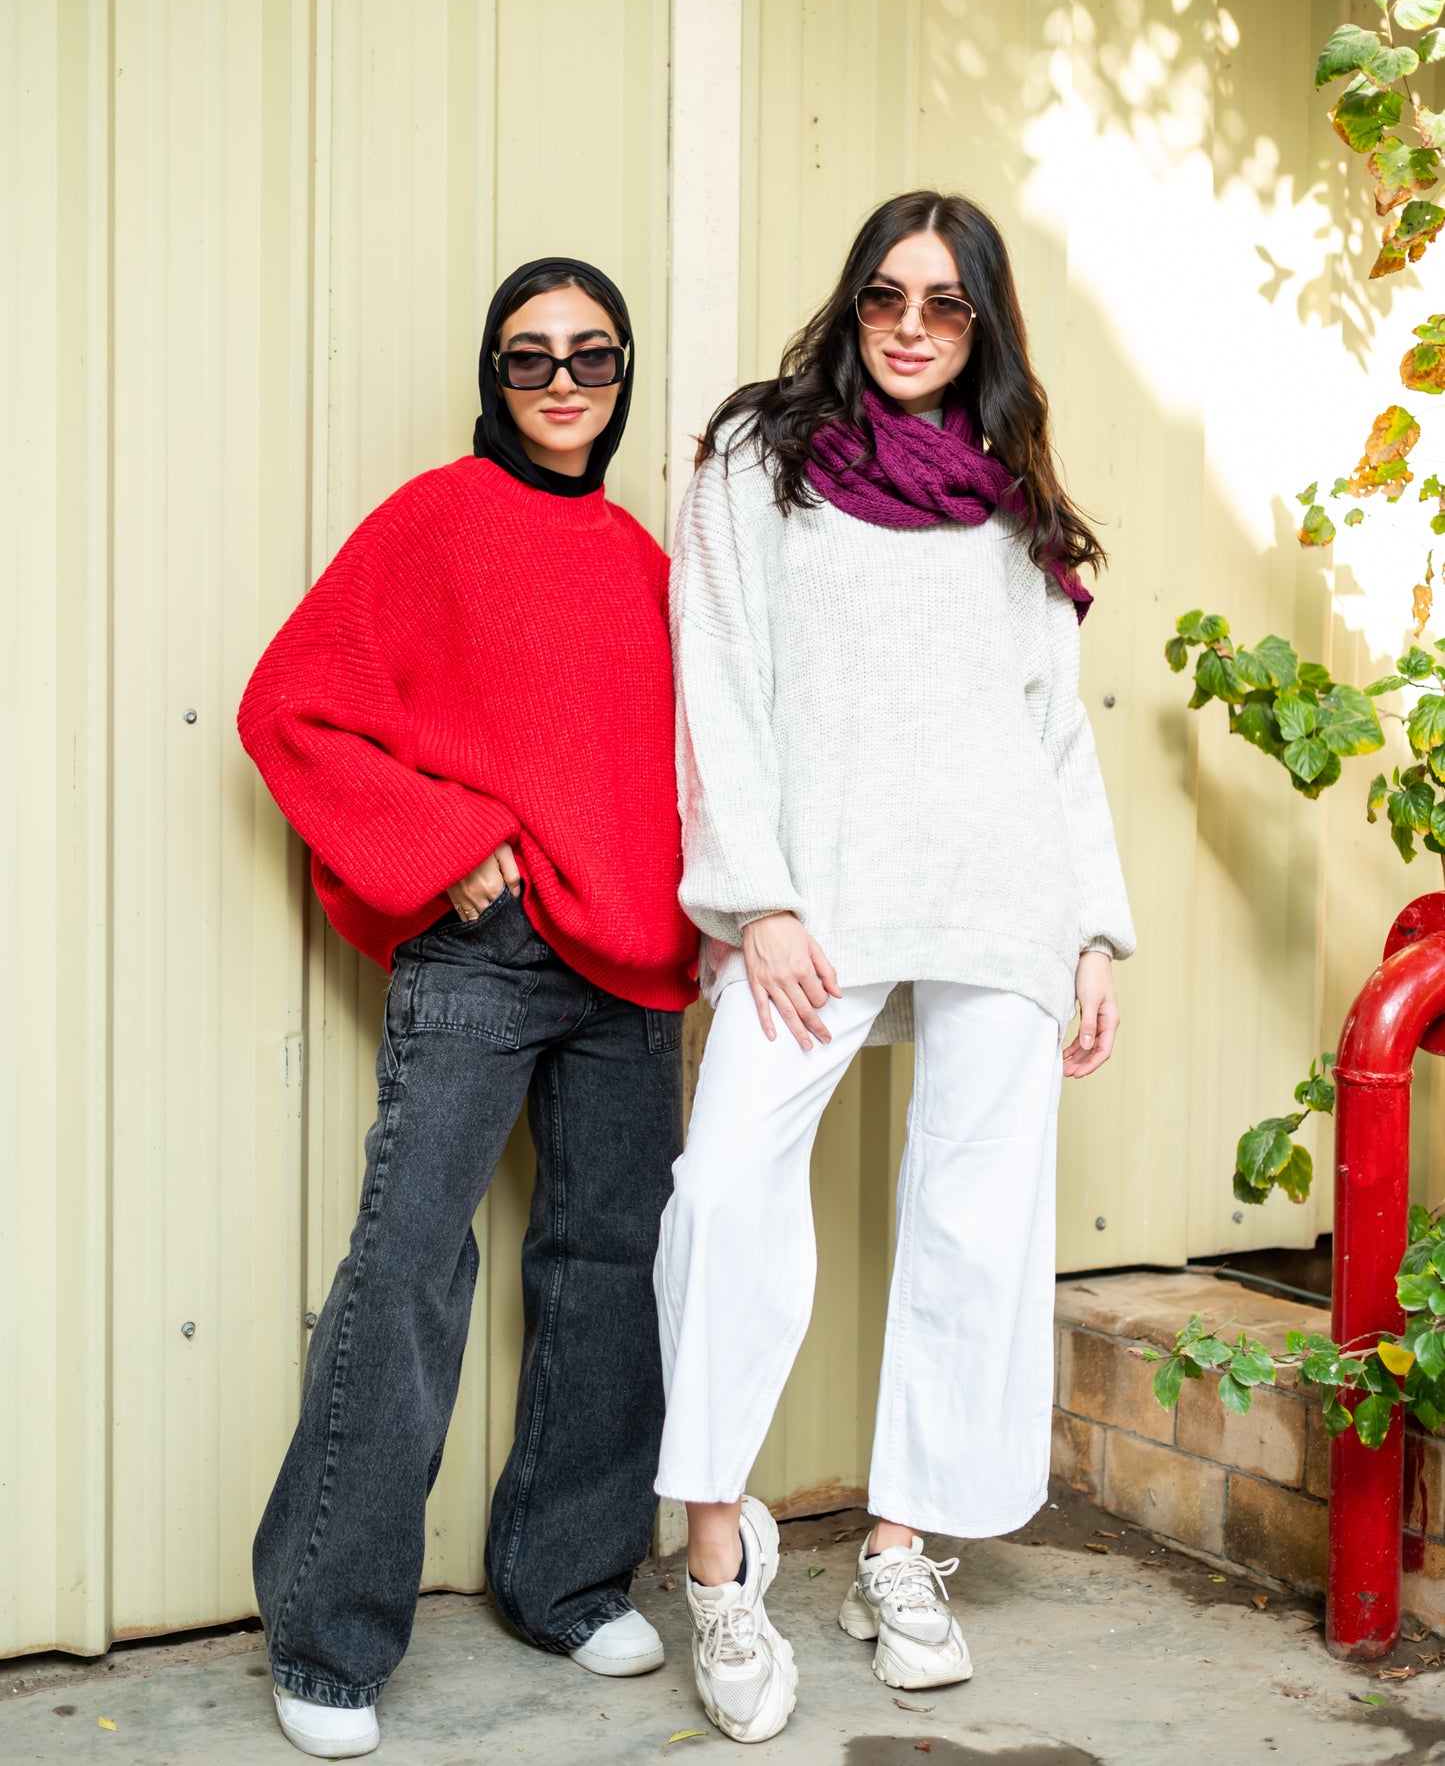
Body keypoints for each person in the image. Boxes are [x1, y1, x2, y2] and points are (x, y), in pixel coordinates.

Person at [655, 191, 1135, 1744]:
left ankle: (899, 1544)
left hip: (999, 890)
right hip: (818, 896)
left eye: (943, 303)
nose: (911, 326)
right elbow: (715, 682)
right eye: (883, 298)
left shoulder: (1010, 499)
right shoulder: (757, 460)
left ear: (983, 324)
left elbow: (1048, 728)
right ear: (849, 306)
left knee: (973, 1211)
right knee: (725, 1184)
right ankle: (718, 1558)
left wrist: (1089, 927)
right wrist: (755, 899)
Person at [238, 257, 696, 1759]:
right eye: (528, 360)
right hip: (487, 960)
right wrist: (445, 851)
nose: (562, 384)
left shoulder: (641, 556)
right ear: (490, 377)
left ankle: (563, 1578)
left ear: (622, 372)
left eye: (591, 357)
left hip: (632, 964)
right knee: (410, 1268)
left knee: (606, 1264)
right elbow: (288, 704)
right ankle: (324, 1635)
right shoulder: (433, 520)